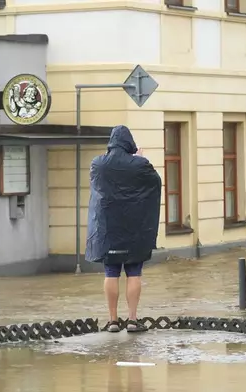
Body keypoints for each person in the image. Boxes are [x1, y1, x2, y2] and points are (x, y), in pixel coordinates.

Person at [86, 125, 162, 333]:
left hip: (107, 231)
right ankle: (132, 319)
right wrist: (140, 159)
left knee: (111, 273)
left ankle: (112, 321)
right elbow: (155, 183)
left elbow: (97, 188)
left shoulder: (98, 164)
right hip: (134, 230)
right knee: (134, 274)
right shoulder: (140, 164)